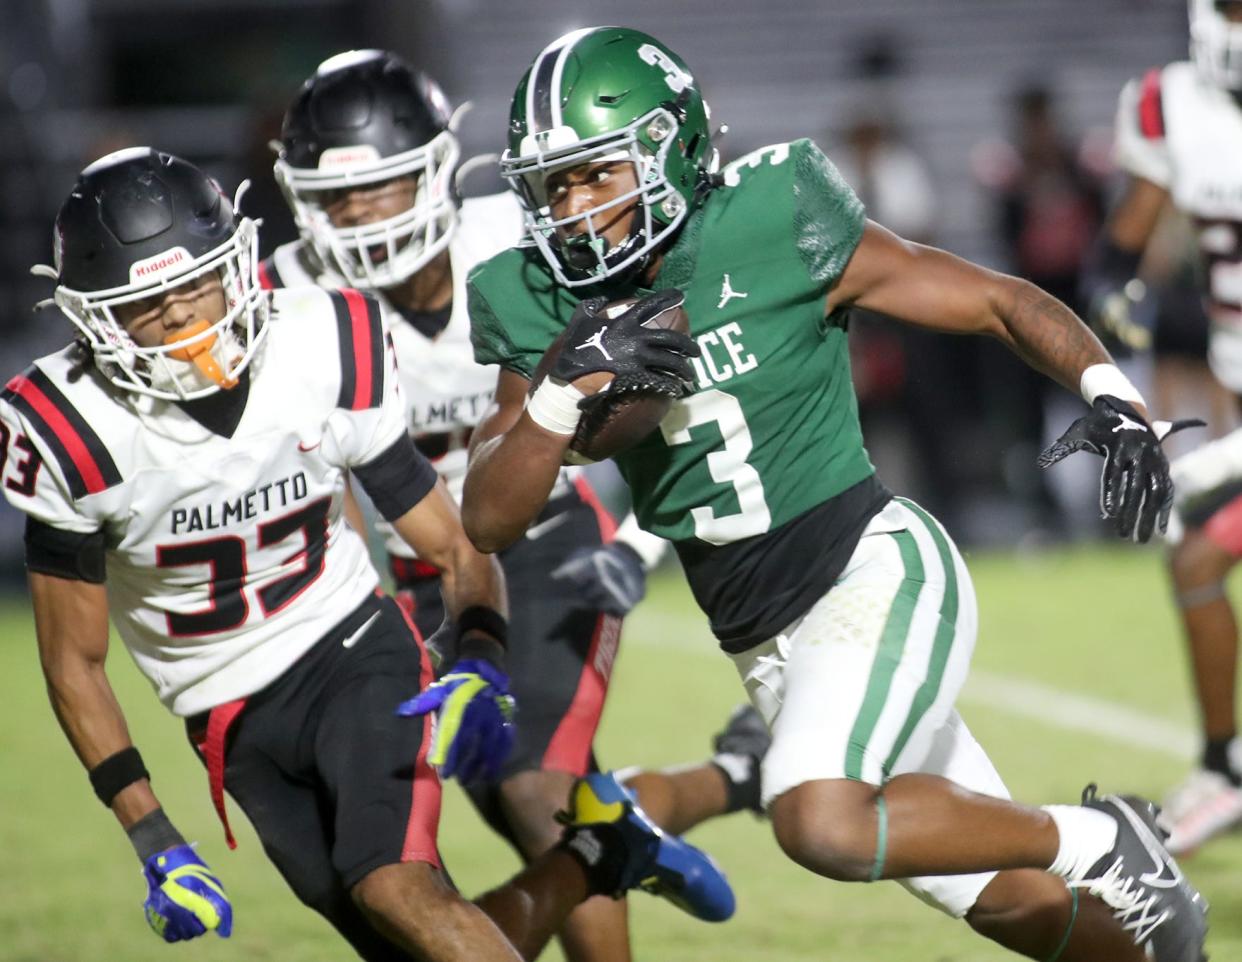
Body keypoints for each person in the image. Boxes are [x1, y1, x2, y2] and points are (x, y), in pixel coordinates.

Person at [461, 25, 1209, 962]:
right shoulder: (534, 295)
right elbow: (488, 514)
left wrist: (1112, 393)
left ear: (672, 147)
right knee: (1009, 905)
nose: (572, 210)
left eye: (596, 174)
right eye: (553, 185)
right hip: (758, 637)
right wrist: (560, 393)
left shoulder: (773, 218)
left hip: (868, 568)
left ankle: (1104, 839)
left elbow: (991, 298)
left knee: (819, 819)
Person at [1, 146, 734, 961]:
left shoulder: (318, 340)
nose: (186, 321)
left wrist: (479, 654)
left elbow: (454, 540)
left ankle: (597, 848)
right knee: (407, 940)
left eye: (197, 284)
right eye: (151, 305)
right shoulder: (66, 429)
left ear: (236, 264)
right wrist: (153, 836)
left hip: (351, 646)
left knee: (395, 887)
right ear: (94, 318)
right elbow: (75, 664)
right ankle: (598, 852)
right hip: (227, 714)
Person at [262, 48, 768, 962]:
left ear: (435, 173)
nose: (357, 216)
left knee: (541, 793)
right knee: (493, 821)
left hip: (539, 545)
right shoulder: (281, 298)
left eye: (380, 188)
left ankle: (667, 807)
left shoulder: (527, 234)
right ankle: (695, 795)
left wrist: (647, 536)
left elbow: (667, 352)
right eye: (336, 198)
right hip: (398, 581)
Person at [1081, 0, 1242, 854]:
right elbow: (1124, 238)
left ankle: (1224, 767)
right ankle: (1225, 765)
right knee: (1194, 552)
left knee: (1194, 539)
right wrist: (1115, 292)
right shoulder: (1170, 104)